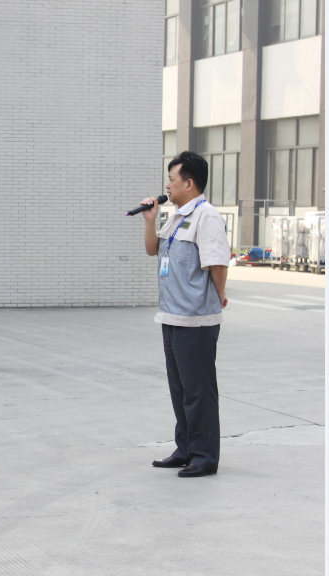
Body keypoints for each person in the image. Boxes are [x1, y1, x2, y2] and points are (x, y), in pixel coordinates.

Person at [140, 151, 230, 478]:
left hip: (196, 321)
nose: (167, 185)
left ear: (189, 183)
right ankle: (186, 448)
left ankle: (204, 456)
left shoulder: (207, 217)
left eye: (172, 180)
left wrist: (219, 294)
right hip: (172, 316)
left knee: (198, 391)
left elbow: (217, 263)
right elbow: (153, 249)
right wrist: (150, 221)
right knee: (180, 390)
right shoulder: (177, 216)